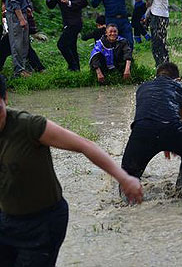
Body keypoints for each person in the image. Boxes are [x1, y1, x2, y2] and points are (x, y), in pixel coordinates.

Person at [0, 75, 142, 266]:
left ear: (5, 99)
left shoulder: (29, 126)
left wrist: (124, 178)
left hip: (42, 223)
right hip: (5, 220)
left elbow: (85, 145)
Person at [121, 62, 182, 192]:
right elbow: (178, 119)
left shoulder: (142, 88)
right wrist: (171, 143)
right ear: (178, 80)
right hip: (173, 130)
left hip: (141, 133)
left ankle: (127, 198)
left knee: (127, 176)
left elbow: (144, 115)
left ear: (156, 77)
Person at [45, 0, 89, 71]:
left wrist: (69, 2)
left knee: (62, 44)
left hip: (75, 22)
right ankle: (76, 69)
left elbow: (85, 2)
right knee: (72, 46)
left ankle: (72, 66)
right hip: (66, 22)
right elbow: (51, 6)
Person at [6, 0, 35, 77]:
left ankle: (22, 68)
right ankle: (18, 71)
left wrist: (27, 8)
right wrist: (21, 19)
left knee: (24, 43)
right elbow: (14, 2)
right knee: (17, 43)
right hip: (15, 15)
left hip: (22, 13)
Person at [142, 0, 169, 67]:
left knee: (157, 46)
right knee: (161, 44)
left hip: (158, 16)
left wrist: (147, 0)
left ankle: (161, 68)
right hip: (162, 16)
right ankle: (166, 67)